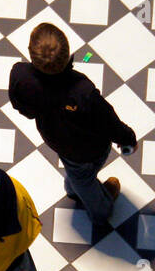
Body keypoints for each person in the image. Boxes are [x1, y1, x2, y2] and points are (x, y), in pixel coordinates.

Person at [8, 22, 137, 227]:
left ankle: (72, 189)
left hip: (55, 138)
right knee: (84, 178)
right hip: (89, 147)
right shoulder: (82, 90)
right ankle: (101, 210)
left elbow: (22, 108)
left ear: (31, 53)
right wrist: (127, 138)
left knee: (75, 170)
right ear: (67, 53)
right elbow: (107, 120)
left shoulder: (20, 75)